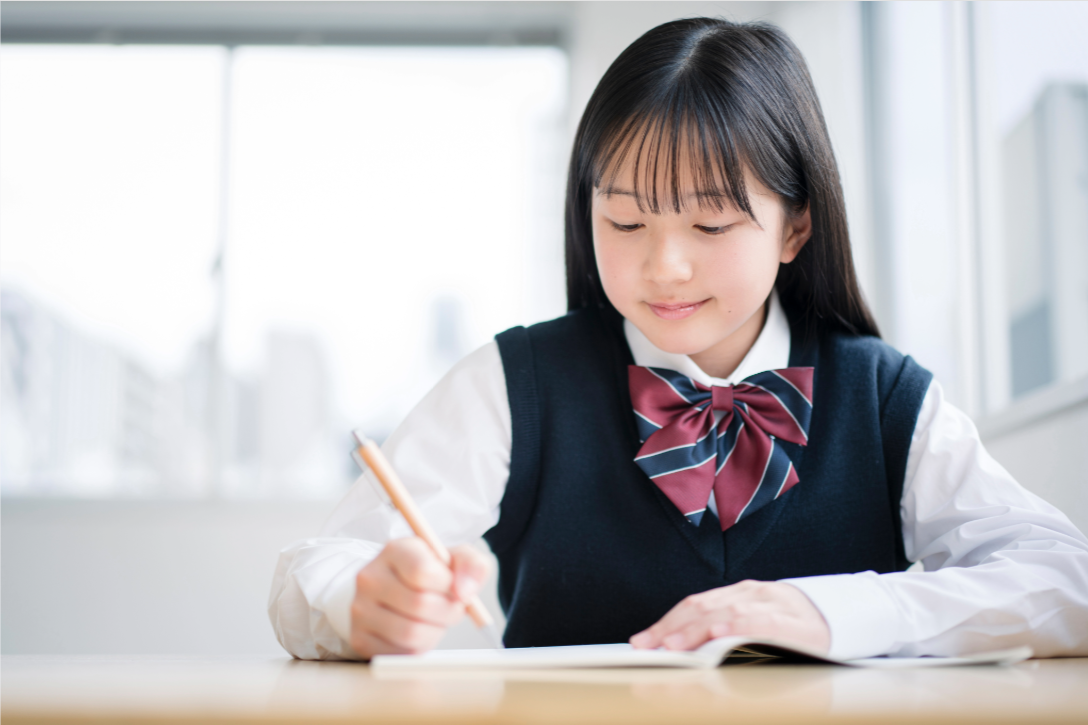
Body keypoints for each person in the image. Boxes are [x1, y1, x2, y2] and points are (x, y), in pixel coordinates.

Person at [268, 17, 1088, 661]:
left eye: (710, 221)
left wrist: (832, 609)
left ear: (795, 225)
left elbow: (1064, 578)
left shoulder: (886, 397)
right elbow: (317, 567)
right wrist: (363, 603)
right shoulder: (516, 384)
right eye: (623, 219)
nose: (663, 264)